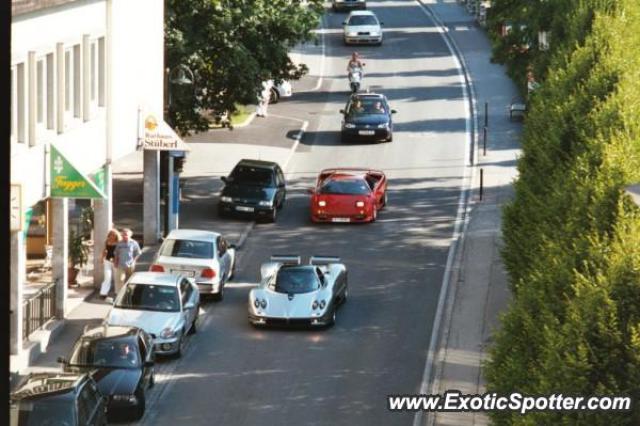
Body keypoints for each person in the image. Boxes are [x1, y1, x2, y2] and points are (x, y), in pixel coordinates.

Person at [113, 228, 142, 294]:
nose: (124, 236)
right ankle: (119, 293)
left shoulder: (134, 243)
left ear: (130, 235)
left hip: (130, 264)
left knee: (129, 279)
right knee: (120, 279)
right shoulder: (119, 243)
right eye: (123, 235)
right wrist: (115, 262)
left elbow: (138, 253)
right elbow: (116, 253)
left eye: (126, 234)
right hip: (121, 264)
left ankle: (128, 292)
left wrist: (134, 261)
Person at [99, 229, 121, 299]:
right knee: (107, 277)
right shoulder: (106, 241)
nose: (112, 236)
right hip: (107, 261)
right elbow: (104, 251)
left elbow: (120, 252)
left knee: (117, 277)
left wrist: (117, 260)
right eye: (111, 235)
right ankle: (103, 293)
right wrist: (102, 259)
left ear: (116, 236)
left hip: (116, 261)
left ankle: (117, 292)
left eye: (114, 235)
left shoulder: (119, 242)